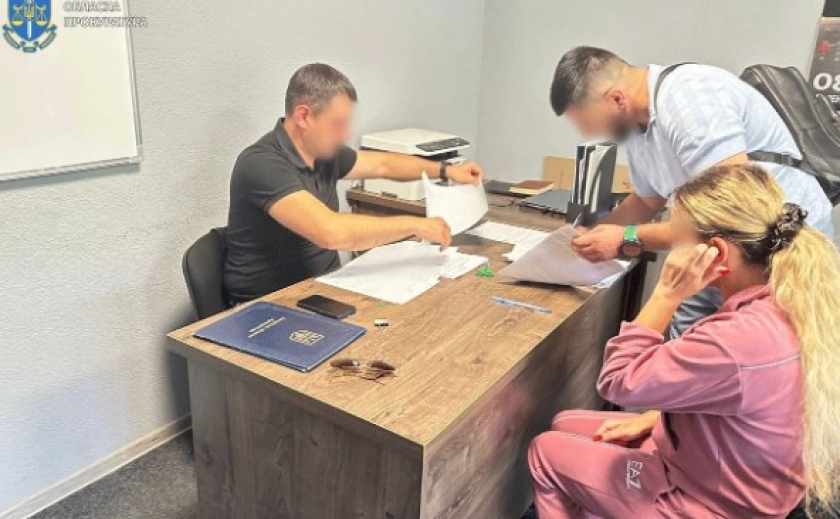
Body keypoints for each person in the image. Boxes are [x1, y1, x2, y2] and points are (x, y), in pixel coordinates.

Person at [527, 164, 840, 519]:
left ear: (716, 253)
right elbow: (744, 400)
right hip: (743, 477)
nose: (672, 251)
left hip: (715, 504)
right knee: (566, 423)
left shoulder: (735, 341)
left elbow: (618, 381)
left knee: (546, 451)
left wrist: (666, 294)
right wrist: (656, 418)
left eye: (678, 241)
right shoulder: (793, 302)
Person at [549, 46, 834, 338]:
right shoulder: (635, 125)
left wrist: (625, 237)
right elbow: (647, 200)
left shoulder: (691, 103)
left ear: (617, 99)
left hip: (779, 243)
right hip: (718, 245)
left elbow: (726, 217)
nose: (592, 135)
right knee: (686, 338)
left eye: (591, 125)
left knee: (768, 345)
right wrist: (591, 236)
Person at [224, 63, 484, 303]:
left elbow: (383, 164)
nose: (346, 134)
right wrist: (416, 225)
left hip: (323, 288)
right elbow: (331, 232)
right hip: (267, 305)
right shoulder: (261, 164)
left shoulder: (322, 152)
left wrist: (447, 171)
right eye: (338, 124)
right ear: (303, 116)